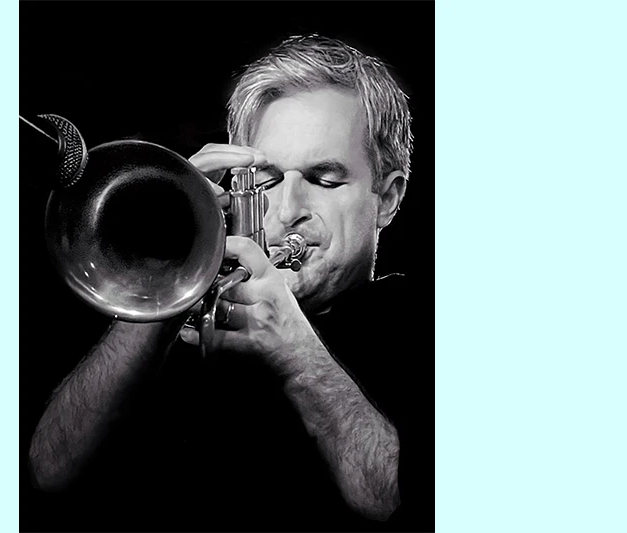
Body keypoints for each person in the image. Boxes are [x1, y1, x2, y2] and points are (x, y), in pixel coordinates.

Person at [27, 34, 433, 532]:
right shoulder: (179, 319)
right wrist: (174, 269)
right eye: (267, 181)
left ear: (388, 198)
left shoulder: (427, 324)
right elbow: (47, 474)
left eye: (324, 180)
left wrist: (299, 359)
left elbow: (405, 504)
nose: (287, 211)